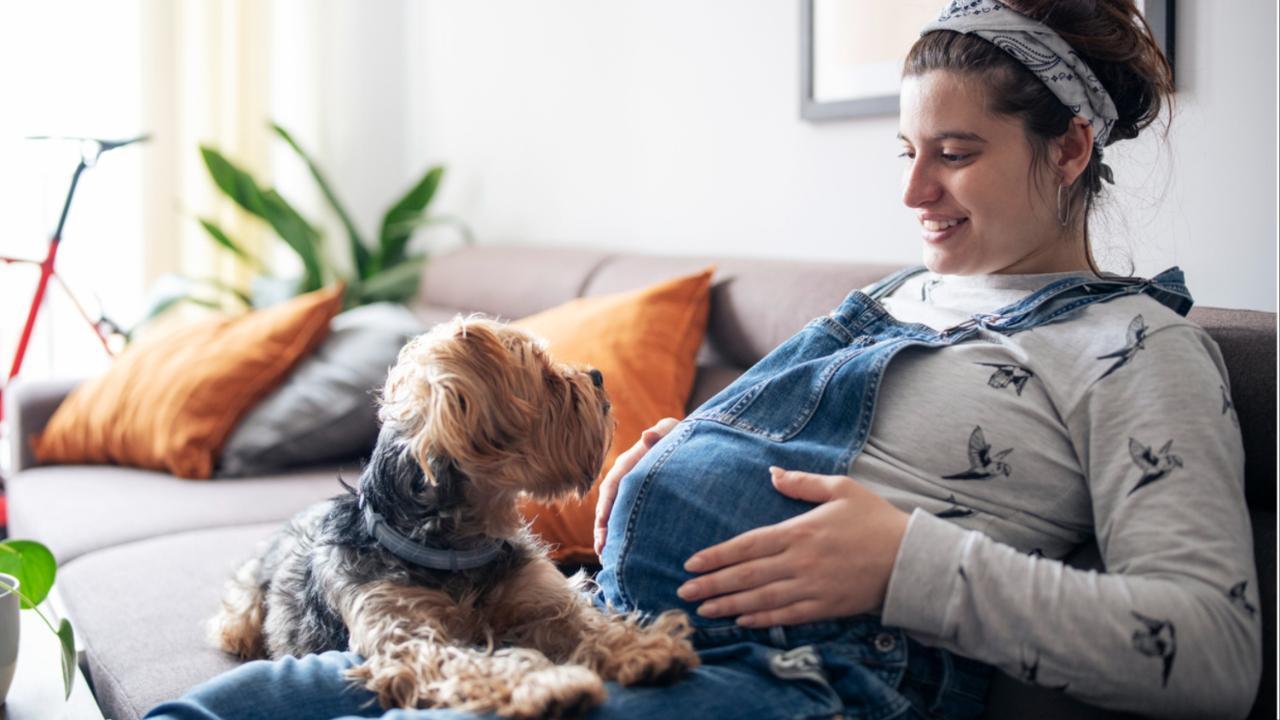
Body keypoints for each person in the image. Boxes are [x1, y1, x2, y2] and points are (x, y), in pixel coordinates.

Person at [146, 1, 1260, 719]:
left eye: (955, 156)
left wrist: (905, 561)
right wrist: (672, 458)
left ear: (1068, 147)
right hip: (602, 619)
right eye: (906, 152)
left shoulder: (1134, 350)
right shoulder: (888, 302)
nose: (911, 194)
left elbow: (1215, 655)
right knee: (205, 713)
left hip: (795, 679)